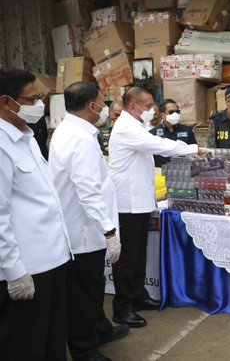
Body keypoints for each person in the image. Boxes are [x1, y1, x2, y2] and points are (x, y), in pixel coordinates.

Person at [109, 87, 208, 328]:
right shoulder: (126, 127)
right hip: (127, 204)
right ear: (134, 107)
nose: (153, 110)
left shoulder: (137, 125)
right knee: (127, 259)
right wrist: (194, 149)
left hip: (141, 201)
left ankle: (138, 296)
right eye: (149, 105)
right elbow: (161, 145)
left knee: (140, 254)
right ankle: (122, 308)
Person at [49, 82, 129, 361]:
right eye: (101, 102)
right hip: (83, 231)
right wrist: (108, 231)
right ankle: (84, 348)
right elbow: (88, 191)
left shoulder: (73, 130)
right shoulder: (79, 138)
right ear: (91, 106)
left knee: (93, 287)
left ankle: (100, 329)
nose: (105, 108)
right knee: (84, 293)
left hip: (85, 227)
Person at [0, 68, 72, 360]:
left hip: (52, 261)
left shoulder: (26, 136)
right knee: (24, 345)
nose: (40, 104)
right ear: (6, 102)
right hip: (28, 269)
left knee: (52, 341)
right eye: (33, 99)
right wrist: (14, 271)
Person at [150, 99, 198, 167]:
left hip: (183, 172)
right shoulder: (153, 133)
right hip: (161, 173)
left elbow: (194, 153)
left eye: (177, 112)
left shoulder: (187, 131)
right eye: (171, 112)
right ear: (163, 115)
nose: (175, 114)